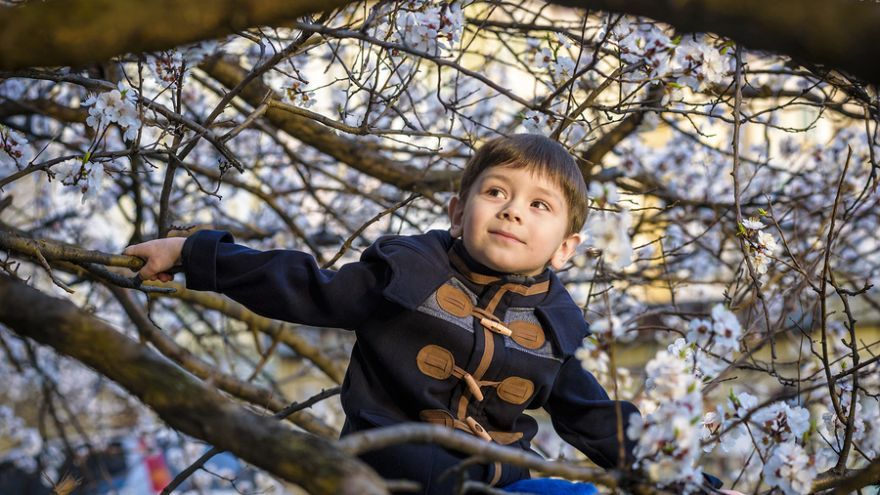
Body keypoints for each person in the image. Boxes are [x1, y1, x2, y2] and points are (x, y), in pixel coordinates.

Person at [123, 134, 731, 494]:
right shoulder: (408, 275)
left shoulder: (553, 327)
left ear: (566, 247)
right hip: (392, 471)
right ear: (457, 208)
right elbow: (305, 287)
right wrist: (197, 254)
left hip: (499, 483)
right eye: (496, 192)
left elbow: (598, 421)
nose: (512, 210)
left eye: (538, 204)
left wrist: (682, 482)